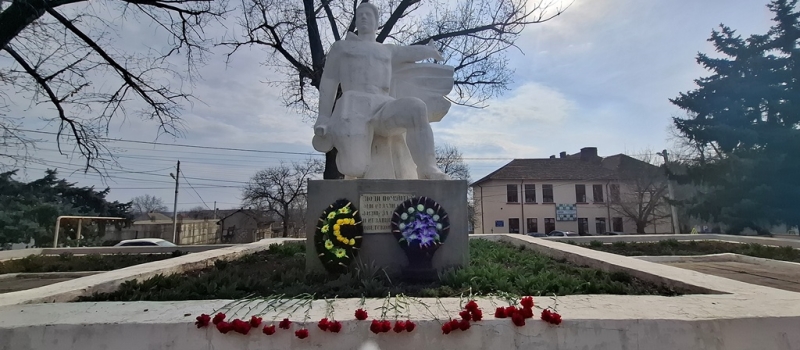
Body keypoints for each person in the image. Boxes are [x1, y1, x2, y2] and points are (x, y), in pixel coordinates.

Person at [312, 0, 451, 180]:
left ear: (376, 22)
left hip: (383, 107)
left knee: (416, 108)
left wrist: (429, 51)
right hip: (354, 107)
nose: (363, 17)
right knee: (355, 168)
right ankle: (347, 149)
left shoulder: (387, 51)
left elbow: (409, 52)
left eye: (368, 15)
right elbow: (329, 81)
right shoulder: (342, 47)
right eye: (359, 15)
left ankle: (428, 168)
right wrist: (324, 117)